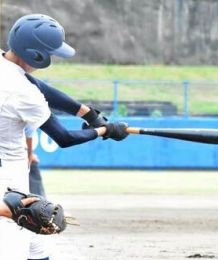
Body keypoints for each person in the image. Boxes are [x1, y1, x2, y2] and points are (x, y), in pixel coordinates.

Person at [0, 13, 128, 260]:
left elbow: (37, 84)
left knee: (38, 248)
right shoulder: (23, 94)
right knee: (12, 250)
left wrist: (87, 113)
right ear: (35, 54)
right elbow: (64, 138)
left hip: (11, 177)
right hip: (8, 182)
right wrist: (105, 130)